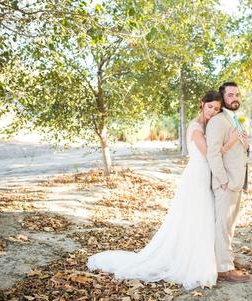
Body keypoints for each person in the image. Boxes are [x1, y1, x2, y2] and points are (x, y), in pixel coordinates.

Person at [87, 91, 240, 290]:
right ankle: (189, 262)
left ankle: (203, 257)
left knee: (202, 219)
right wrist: (231, 141)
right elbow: (209, 153)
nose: (213, 111)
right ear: (201, 104)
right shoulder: (195, 127)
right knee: (195, 218)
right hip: (197, 176)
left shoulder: (207, 125)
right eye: (210, 107)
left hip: (205, 175)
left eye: (217, 109)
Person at [206, 81, 250, 282]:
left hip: (237, 180)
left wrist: (246, 146)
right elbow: (213, 153)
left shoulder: (236, 119)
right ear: (222, 97)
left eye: (237, 95)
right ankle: (223, 268)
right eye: (231, 95)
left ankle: (227, 258)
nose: (235, 98)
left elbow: (239, 148)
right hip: (226, 182)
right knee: (223, 224)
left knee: (230, 224)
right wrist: (223, 180)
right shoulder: (217, 121)